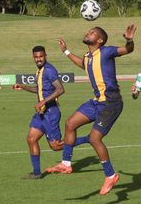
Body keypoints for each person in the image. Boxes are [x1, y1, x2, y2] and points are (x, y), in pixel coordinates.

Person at [45, 25, 136, 195]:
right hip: (97, 102)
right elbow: (83, 64)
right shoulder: (88, 56)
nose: (88, 32)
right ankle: (66, 164)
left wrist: (129, 39)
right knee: (70, 124)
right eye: (89, 31)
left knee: (95, 139)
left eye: (92, 32)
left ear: (100, 40)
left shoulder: (107, 51)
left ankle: (110, 175)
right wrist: (66, 52)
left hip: (111, 102)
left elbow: (128, 49)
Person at [13, 46, 90, 179]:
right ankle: (37, 173)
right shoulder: (39, 71)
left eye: (41, 56)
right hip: (41, 114)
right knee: (31, 139)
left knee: (55, 146)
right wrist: (23, 86)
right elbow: (39, 90)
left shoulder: (49, 70)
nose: (38, 59)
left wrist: (43, 102)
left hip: (51, 112)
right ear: (33, 57)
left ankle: (87, 139)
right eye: (36, 57)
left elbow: (60, 89)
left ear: (45, 56)